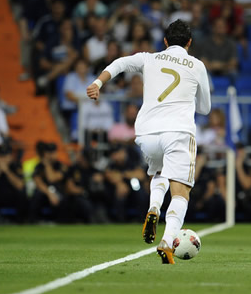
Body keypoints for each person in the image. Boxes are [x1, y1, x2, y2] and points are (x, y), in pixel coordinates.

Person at [87, 19, 211, 264]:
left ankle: (154, 206)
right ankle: (167, 242)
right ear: (189, 43)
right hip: (178, 131)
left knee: (159, 172)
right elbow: (206, 109)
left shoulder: (149, 58)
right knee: (181, 192)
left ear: (164, 42)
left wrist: (98, 82)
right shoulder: (196, 65)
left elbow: (121, 63)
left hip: (147, 132)